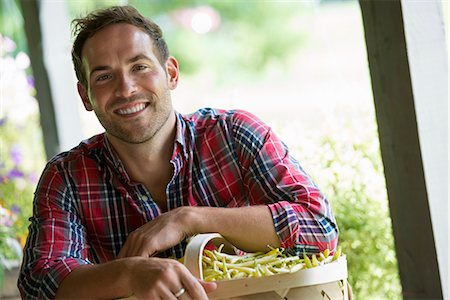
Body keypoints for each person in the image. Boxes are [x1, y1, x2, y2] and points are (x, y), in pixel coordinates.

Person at [18, 5, 338, 300]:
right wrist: (130, 274)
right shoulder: (67, 177)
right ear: (86, 95)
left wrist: (191, 218)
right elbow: (40, 283)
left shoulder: (234, 134)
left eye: (140, 66)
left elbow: (320, 228)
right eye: (103, 77)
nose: (126, 88)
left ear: (171, 73)